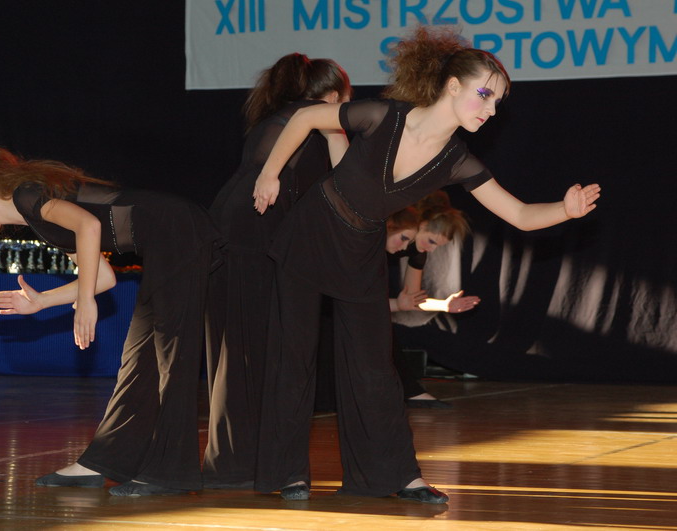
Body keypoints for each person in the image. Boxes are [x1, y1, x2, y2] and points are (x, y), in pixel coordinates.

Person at [250, 25, 600, 503]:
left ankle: (396, 475)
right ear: (452, 86)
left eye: (498, 102)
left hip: (361, 248)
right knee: (294, 354)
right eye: (484, 95)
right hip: (312, 230)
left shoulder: (457, 160)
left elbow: (519, 214)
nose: (490, 109)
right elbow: (309, 116)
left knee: (374, 366)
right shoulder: (384, 116)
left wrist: (564, 210)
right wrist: (270, 174)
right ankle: (286, 472)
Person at [0, 140, 220, 497]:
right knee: (138, 361)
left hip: (179, 232)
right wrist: (42, 302)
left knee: (170, 357)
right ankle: (102, 462)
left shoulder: (27, 194)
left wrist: (85, 301)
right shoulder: (37, 219)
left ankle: (172, 473)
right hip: (170, 240)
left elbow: (88, 225)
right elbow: (103, 277)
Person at [203, 53, 352, 488]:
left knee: (244, 355)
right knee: (254, 355)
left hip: (243, 243)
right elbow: (346, 184)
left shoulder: (286, 121)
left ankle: (243, 465)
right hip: (250, 247)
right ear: (330, 97)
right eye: (345, 100)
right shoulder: (304, 122)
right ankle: (246, 467)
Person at [386, 192, 477, 409]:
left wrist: (444, 305)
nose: (432, 249)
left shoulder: (418, 253)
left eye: (438, 246)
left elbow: (413, 300)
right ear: (422, 224)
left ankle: (410, 391)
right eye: (432, 241)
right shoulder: (389, 233)